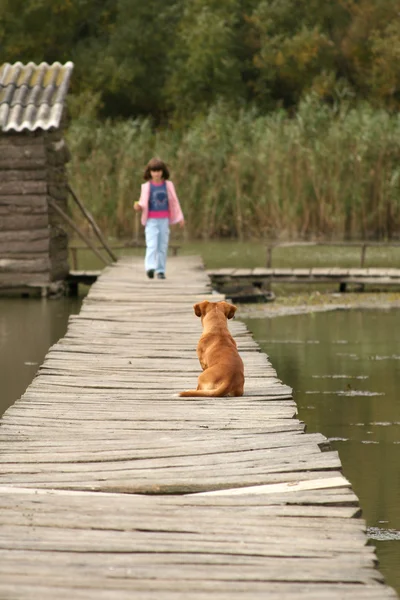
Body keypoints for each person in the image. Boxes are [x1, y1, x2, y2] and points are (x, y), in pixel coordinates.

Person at [133, 157, 184, 279]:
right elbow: (142, 202)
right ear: (149, 172)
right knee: (152, 244)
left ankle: (160, 270)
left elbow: (175, 202)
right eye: (154, 171)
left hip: (164, 220)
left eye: (159, 171)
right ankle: (150, 267)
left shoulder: (168, 185)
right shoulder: (146, 186)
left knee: (162, 245)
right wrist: (138, 206)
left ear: (163, 171)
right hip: (151, 220)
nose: (156, 173)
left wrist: (180, 217)